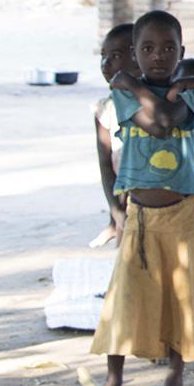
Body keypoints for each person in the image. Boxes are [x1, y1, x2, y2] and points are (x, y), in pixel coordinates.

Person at [78, 10, 194, 386]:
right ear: (134, 53)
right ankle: (113, 381)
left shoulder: (189, 90)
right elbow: (153, 118)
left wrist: (133, 84)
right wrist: (132, 86)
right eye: (146, 48)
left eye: (167, 48)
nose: (157, 55)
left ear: (181, 51)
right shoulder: (121, 97)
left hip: (183, 214)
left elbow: (164, 122)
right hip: (141, 214)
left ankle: (174, 383)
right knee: (125, 297)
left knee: (180, 299)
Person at [89, 23, 134, 249]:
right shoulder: (104, 109)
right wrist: (116, 211)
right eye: (103, 56)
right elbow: (105, 165)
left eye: (115, 56)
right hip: (122, 194)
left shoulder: (157, 106)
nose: (105, 64)